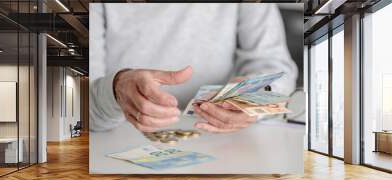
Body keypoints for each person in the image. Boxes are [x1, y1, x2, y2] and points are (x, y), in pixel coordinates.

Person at [90, 3, 297, 133]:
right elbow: (82, 108)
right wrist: (116, 89)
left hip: (224, 144)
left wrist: (255, 95)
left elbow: (275, 67)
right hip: (116, 138)